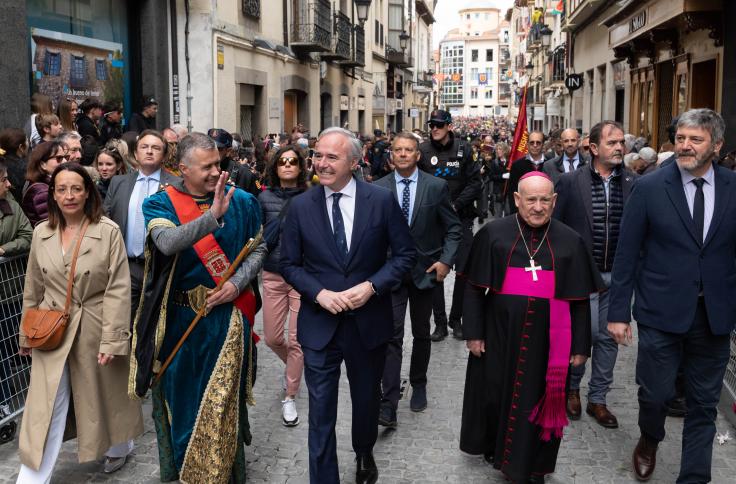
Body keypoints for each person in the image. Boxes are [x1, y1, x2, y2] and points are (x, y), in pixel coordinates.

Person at [280, 127, 415, 484]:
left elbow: (404, 256)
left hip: (367, 323)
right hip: (319, 325)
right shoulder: (300, 206)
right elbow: (289, 263)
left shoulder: (381, 201)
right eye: (318, 156)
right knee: (320, 412)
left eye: (331, 157)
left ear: (354, 162)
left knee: (365, 401)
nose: (320, 164)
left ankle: (364, 451)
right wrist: (318, 294)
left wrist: (372, 287)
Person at [607, 109, 736, 483]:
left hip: (714, 316)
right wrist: (618, 313)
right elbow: (627, 255)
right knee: (656, 394)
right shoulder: (649, 188)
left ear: (717, 145)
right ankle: (650, 437)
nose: (685, 145)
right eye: (681, 138)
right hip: (659, 313)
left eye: (695, 139)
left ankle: (694, 477)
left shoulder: (732, 187)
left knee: (704, 404)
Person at [129, 132, 266, 482]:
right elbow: (167, 243)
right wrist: (212, 217)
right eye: (206, 168)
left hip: (226, 318)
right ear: (182, 168)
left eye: (218, 165)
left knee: (219, 400)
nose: (215, 173)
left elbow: (258, 250)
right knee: (182, 399)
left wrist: (236, 284)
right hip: (178, 320)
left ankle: (223, 474)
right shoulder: (160, 204)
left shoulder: (244, 201)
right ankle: (185, 470)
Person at [460, 172, 603, 483]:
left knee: (539, 400)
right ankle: (496, 452)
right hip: (499, 334)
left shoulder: (570, 240)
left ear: (554, 201)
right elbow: (472, 288)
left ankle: (535, 465)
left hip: (550, 340)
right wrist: (473, 333)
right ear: (516, 200)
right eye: (531, 200)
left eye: (544, 200)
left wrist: (580, 347)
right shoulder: (494, 233)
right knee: (496, 395)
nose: (538, 207)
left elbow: (579, 300)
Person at [17, 162, 143, 480]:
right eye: (62, 189)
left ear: (88, 192)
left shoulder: (108, 231)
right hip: (51, 329)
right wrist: (26, 335)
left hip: (95, 325)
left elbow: (117, 289)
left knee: (106, 391)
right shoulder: (42, 234)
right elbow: (33, 287)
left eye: (76, 188)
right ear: (53, 195)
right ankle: (32, 476)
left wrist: (114, 338)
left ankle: (119, 446)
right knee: (46, 404)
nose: (69, 195)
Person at [374, 132, 461, 427]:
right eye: (397, 150)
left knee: (422, 333)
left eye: (408, 150)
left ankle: (419, 382)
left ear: (417, 154)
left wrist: (446, 262)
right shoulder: (376, 189)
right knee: (392, 336)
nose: (402, 154)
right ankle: (388, 401)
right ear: (390, 155)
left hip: (426, 273)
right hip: (391, 275)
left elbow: (453, 228)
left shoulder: (435, 187)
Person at [553, 120, 636, 428]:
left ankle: (598, 399)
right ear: (593, 147)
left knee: (608, 339)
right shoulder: (570, 182)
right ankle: (571, 388)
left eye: (621, 143)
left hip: (616, 277)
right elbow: (555, 229)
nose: (618, 147)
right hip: (580, 278)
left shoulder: (633, 182)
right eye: (612, 142)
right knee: (580, 336)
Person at [418, 110, 480, 341]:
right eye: (432, 124)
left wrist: (454, 205)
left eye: (439, 125)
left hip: (461, 218)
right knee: (435, 271)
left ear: (449, 126)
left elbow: (475, 183)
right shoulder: (423, 151)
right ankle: (441, 323)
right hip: (433, 222)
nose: (434, 128)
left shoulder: (464, 149)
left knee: (463, 271)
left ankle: (457, 319)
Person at [104, 130, 178, 322]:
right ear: (135, 153)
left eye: (156, 148)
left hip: (160, 267)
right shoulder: (118, 183)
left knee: (155, 323)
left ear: (164, 155)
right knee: (124, 322)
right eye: (144, 147)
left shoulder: (176, 185)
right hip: (127, 266)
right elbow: (106, 219)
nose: (149, 151)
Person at [258, 145, 307, 426]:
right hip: (273, 275)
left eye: (293, 161)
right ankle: (294, 367)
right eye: (282, 162)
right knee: (274, 338)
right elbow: (257, 236)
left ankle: (289, 395)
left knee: (296, 339)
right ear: (275, 167)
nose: (287, 165)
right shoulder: (263, 198)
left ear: (300, 167)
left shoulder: (312, 197)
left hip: (301, 277)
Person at [0, 160, 33, 419]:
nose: (9, 184)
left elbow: (27, 235)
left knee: (8, 343)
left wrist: (3, 249)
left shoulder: (10, 201)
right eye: (3, 180)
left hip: (9, 289)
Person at [22, 140, 68, 226]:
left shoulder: (48, 184)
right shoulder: (42, 192)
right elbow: (54, 224)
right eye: (59, 158)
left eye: (65, 157)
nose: (65, 161)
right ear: (43, 164)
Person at [208, 128, 260, 197]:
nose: (211, 151)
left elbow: (258, 195)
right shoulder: (198, 171)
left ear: (228, 151)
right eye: (207, 147)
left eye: (217, 148)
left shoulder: (247, 175)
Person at [507, 130, 546, 214]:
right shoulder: (517, 165)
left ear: (543, 144)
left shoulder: (550, 164)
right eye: (532, 143)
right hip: (524, 212)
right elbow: (513, 191)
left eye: (538, 143)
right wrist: (515, 213)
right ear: (527, 144)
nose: (535, 145)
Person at [0, 128, 29, 202]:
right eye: (27, 140)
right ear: (21, 147)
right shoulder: (27, 168)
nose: (29, 143)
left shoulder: (2, 164)